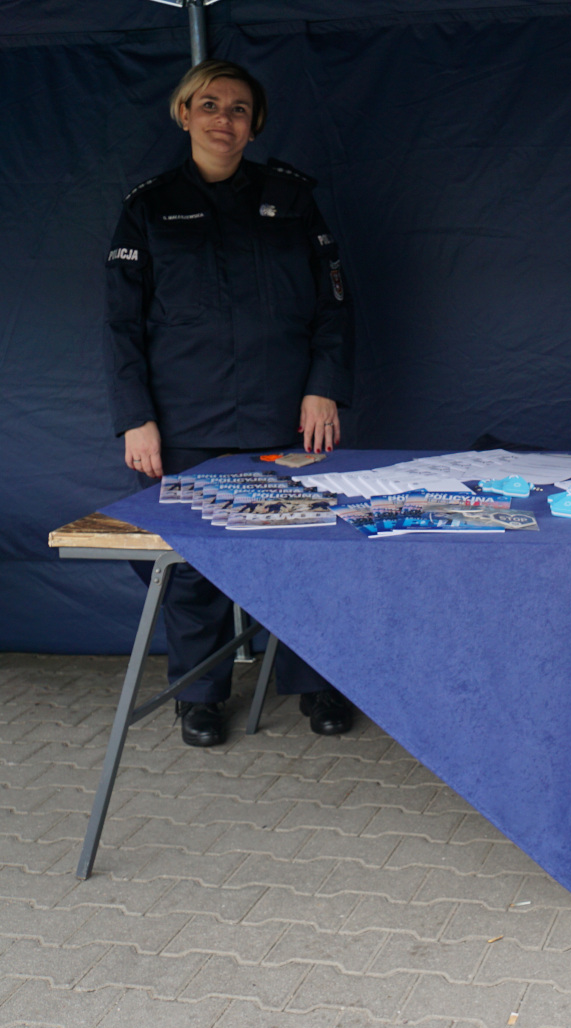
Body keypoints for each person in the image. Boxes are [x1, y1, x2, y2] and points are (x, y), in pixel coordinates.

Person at [105, 60, 354, 746]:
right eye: (208, 105)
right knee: (192, 566)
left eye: (239, 108)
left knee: (303, 554)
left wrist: (324, 385)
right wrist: (136, 416)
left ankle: (316, 687)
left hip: (288, 414)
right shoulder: (148, 207)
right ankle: (199, 695)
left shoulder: (292, 199)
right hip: (185, 419)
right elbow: (121, 325)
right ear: (183, 114)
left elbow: (333, 307)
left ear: (256, 123)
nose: (224, 119)